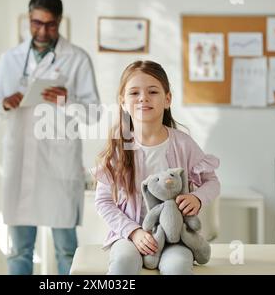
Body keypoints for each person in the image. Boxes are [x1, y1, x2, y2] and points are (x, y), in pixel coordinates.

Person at [0, 0, 100, 275]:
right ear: (29, 19)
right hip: (20, 162)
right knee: (19, 250)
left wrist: (68, 99)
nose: (42, 31)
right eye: (36, 23)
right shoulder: (10, 59)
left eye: (50, 25)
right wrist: (4, 103)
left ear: (60, 21)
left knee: (66, 250)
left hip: (58, 164)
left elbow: (95, 114)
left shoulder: (77, 59)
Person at [93, 60, 220, 275]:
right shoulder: (118, 148)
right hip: (129, 236)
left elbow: (212, 182)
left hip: (174, 238)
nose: (143, 98)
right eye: (134, 93)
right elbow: (103, 201)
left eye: (153, 91)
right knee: (123, 263)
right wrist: (133, 232)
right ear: (123, 102)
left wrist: (197, 198)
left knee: (178, 267)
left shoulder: (183, 143)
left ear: (167, 99)